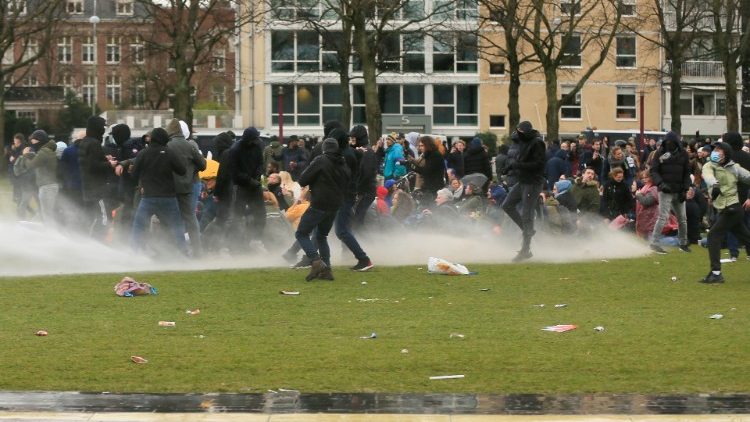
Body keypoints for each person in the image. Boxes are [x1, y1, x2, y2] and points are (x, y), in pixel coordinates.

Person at [295, 138, 350, 281]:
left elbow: (303, 179)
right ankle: (327, 270)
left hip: (319, 203)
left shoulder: (321, 160)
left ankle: (315, 261)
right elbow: (347, 181)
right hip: (335, 205)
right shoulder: (343, 162)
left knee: (301, 233)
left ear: (324, 149)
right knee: (321, 236)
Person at [130, 127, 188, 255]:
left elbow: (133, 175)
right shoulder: (169, 152)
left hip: (148, 198)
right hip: (169, 198)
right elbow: (182, 171)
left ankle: (133, 253)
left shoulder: (143, 153)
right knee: (177, 226)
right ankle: (184, 253)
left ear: (152, 139)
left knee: (138, 225)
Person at [700, 141, 750, 283]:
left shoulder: (734, 167)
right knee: (747, 239)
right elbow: (708, 176)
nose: (715, 151)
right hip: (725, 209)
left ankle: (716, 273)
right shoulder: (709, 165)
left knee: (713, 236)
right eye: (715, 148)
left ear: (726, 153)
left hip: (732, 208)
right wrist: (714, 184)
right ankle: (715, 273)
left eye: (719, 149)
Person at [501, 121, 546, 262]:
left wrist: (517, 165)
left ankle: (525, 250)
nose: (517, 134)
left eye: (520, 131)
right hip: (523, 181)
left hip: (533, 183)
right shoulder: (523, 141)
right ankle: (528, 230)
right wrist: (509, 168)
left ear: (525, 132)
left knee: (527, 214)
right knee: (507, 205)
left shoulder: (537, 143)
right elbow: (518, 159)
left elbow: (539, 164)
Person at [166, 119, 207, 257]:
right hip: (189, 185)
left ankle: (181, 250)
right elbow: (202, 165)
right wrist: (190, 170)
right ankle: (198, 250)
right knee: (190, 218)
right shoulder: (191, 145)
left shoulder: (168, 145)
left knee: (177, 219)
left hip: (172, 187)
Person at [648, 131, 691, 254]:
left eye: (671, 143)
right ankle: (654, 243)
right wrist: (661, 184)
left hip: (678, 190)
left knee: (682, 219)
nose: (669, 145)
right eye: (667, 143)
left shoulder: (684, 154)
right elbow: (654, 171)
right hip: (665, 190)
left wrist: (685, 189)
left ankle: (683, 243)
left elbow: (687, 173)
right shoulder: (659, 153)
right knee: (663, 217)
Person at [78, 116, 117, 239]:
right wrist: (110, 164)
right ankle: (97, 243)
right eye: (102, 127)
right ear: (97, 128)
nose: (103, 130)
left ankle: (86, 241)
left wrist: (105, 159)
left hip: (87, 189)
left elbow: (89, 162)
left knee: (91, 218)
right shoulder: (94, 144)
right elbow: (93, 166)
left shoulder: (85, 142)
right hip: (97, 191)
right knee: (105, 219)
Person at [14, 130, 58, 226]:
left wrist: (25, 155)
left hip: (46, 187)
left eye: (33, 141)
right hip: (49, 186)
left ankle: (52, 235)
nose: (32, 143)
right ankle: (50, 232)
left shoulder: (44, 152)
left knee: (47, 215)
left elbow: (31, 165)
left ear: (39, 140)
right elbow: (38, 159)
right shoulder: (47, 150)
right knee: (46, 213)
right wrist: (30, 155)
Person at [408, 135, 445, 204]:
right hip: (429, 186)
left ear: (428, 145)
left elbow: (426, 171)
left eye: (422, 145)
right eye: (419, 146)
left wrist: (413, 166)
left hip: (434, 188)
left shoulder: (434, 155)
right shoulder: (429, 155)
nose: (420, 147)